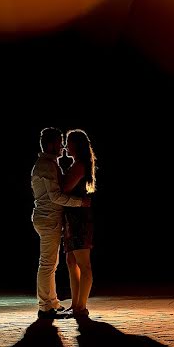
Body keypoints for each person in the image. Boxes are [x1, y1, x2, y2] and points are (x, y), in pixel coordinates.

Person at [30, 127, 90, 319]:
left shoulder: (49, 164)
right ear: (50, 144)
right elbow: (55, 196)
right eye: (59, 142)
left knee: (50, 263)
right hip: (48, 219)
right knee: (48, 263)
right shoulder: (46, 166)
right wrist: (80, 202)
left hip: (48, 219)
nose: (62, 146)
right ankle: (45, 306)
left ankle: (51, 302)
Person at [62, 129, 96, 318]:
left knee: (84, 264)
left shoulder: (79, 166)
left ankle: (80, 306)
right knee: (71, 261)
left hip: (79, 219)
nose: (66, 146)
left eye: (69, 142)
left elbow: (65, 187)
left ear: (77, 145)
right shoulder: (76, 165)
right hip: (71, 219)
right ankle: (75, 304)